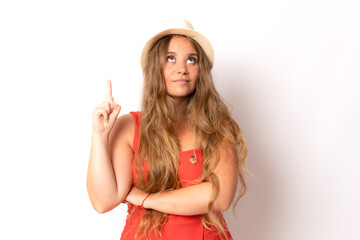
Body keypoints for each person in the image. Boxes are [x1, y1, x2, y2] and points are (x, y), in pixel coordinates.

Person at [87, 18, 248, 240]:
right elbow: (104, 201)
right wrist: (100, 136)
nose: (182, 69)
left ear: (201, 71)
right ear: (156, 68)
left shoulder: (217, 126)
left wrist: (147, 199)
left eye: (191, 60)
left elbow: (219, 197)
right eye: (170, 59)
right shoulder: (129, 126)